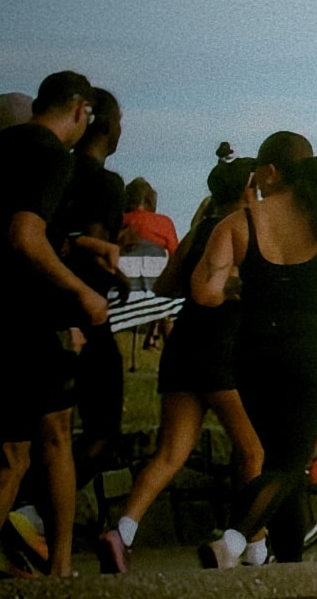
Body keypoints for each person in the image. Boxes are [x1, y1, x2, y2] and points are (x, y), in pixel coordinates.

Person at [191, 132, 317, 566]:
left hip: (253, 349)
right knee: (291, 463)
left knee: (277, 457)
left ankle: (290, 566)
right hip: (309, 350)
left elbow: (204, 293)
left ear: (273, 171)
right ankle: (235, 539)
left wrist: (243, 287)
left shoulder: (239, 222)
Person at [97, 156, 263, 573]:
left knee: (170, 451)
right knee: (253, 450)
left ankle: (123, 532)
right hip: (223, 350)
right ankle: (252, 546)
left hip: (183, 345)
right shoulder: (244, 230)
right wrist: (238, 287)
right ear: (247, 191)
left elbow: (168, 285)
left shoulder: (196, 232)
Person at [0, 71, 106, 577]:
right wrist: (81, 292)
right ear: (79, 110)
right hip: (28, 317)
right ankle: (59, 570)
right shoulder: (54, 155)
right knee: (51, 437)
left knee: (9, 453)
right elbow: (25, 236)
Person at [54, 87, 130, 474]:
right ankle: (33, 507)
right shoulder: (106, 184)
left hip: (46, 311)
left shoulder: (56, 171)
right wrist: (117, 274)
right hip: (89, 314)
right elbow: (95, 246)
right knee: (103, 430)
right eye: (118, 122)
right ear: (104, 126)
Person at [120, 178, 179, 256]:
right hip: (158, 264)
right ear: (151, 201)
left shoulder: (121, 219)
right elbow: (175, 253)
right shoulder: (165, 222)